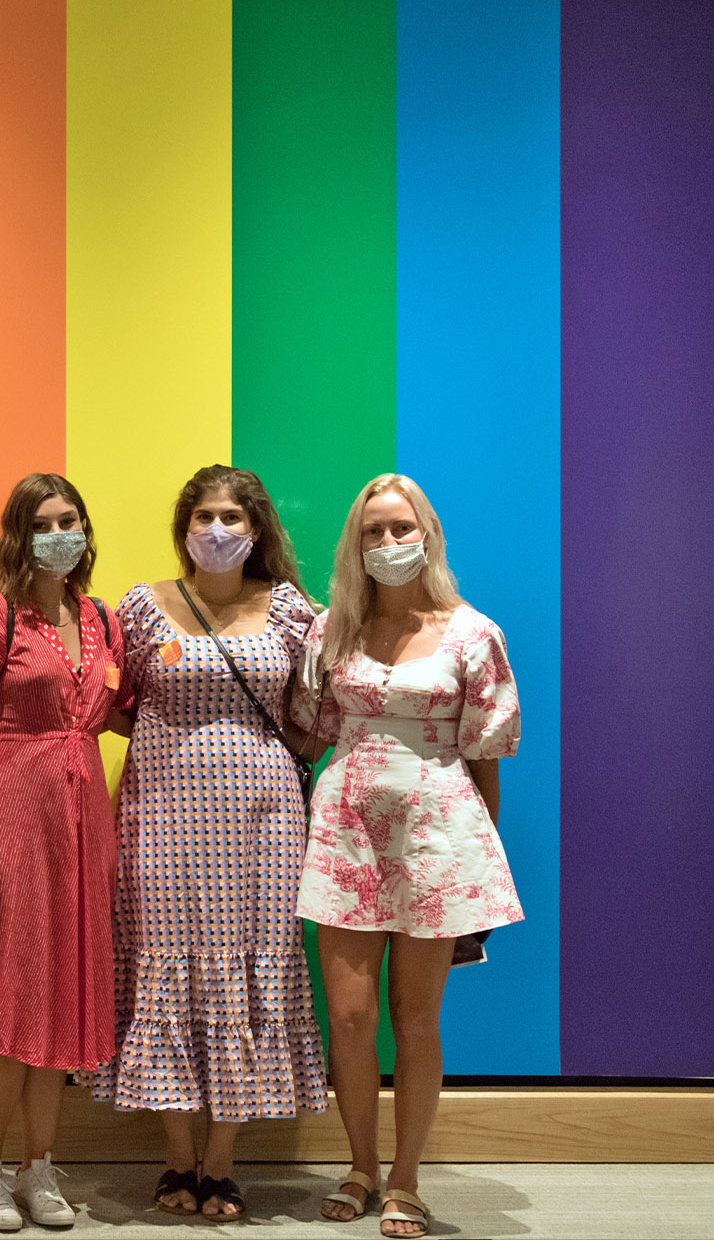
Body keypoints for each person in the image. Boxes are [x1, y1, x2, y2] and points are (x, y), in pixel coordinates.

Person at [93, 464, 329, 1223]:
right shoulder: (142, 606)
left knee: (254, 965)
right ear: (184, 526)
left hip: (264, 820)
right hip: (160, 815)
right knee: (165, 961)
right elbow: (113, 704)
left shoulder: (292, 609)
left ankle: (220, 1162)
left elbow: (313, 713)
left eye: (233, 516)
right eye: (205, 516)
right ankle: (175, 1156)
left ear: (256, 529)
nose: (218, 529)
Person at [291, 474, 521, 1239]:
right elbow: (312, 727)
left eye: (401, 527)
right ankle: (357, 1165)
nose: (388, 543)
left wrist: (477, 862)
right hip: (347, 830)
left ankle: (407, 1179)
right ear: (354, 545)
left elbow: (487, 753)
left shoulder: (472, 632)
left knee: (415, 1018)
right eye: (373, 531)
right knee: (350, 1018)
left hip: (438, 835)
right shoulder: (332, 630)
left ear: (428, 533)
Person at [0, 473, 124, 1232]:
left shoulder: (101, 616)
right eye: (45, 521)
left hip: (82, 823)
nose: (61, 532)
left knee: (65, 1001)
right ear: (20, 533)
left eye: (71, 519)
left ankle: (39, 1166)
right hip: (12, 814)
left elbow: (119, 707)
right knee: (7, 999)